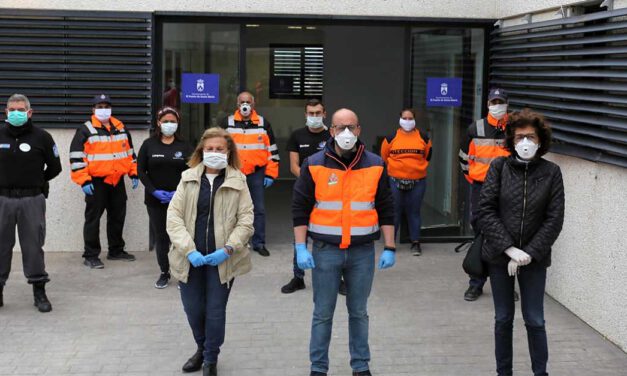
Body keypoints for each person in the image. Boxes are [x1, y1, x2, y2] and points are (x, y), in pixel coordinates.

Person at [293, 108, 396, 376]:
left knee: (359, 313)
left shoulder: (375, 164)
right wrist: (300, 247)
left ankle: (361, 367)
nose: (346, 133)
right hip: (326, 252)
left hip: (362, 252)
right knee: (323, 313)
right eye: (340, 128)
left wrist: (390, 246)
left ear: (359, 130)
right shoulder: (314, 163)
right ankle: (318, 368)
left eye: (351, 127)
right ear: (332, 131)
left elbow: (386, 207)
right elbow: (299, 208)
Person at [478, 109, 564, 376]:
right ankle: (504, 372)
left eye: (530, 137)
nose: (525, 142)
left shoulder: (552, 172)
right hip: (500, 256)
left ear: (540, 140)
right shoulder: (499, 168)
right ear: (511, 141)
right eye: (519, 137)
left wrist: (529, 252)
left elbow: (555, 218)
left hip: (534, 259)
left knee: (535, 320)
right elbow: (486, 210)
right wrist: (509, 249)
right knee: (503, 319)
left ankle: (541, 373)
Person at [167, 127, 254, 376]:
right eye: (210, 149)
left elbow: (246, 220)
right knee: (193, 309)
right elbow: (173, 218)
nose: (214, 153)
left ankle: (210, 358)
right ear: (201, 151)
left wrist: (228, 248)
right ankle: (201, 347)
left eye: (219, 149)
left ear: (228, 152)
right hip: (190, 259)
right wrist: (188, 249)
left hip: (222, 260)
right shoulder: (188, 178)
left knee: (215, 311)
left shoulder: (239, 181)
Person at [0, 94, 62, 312]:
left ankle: (39, 292)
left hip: (32, 200)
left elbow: (55, 167)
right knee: (1, 246)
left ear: (29, 112)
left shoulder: (42, 137)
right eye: (12, 109)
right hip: (2, 200)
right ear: (6, 112)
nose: (16, 113)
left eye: (21, 109)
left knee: (33, 246)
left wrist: (38, 181)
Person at [69, 94, 139, 269]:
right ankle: (91, 255)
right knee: (93, 219)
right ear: (93, 109)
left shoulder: (120, 127)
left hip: (117, 181)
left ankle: (116, 250)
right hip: (96, 182)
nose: (103, 109)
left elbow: (130, 153)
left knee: (117, 217)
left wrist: (134, 173)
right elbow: (77, 158)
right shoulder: (85, 130)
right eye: (99, 106)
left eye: (106, 105)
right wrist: (84, 181)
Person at [281, 99, 341, 295]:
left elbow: (339, 162)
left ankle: (338, 278)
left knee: (335, 236)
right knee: (300, 235)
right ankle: (298, 277)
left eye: (317, 113)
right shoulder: (297, 135)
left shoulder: (333, 135)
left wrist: (324, 184)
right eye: (310, 113)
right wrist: (311, 182)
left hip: (330, 193)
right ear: (305, 114)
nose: (314, 117)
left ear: (325, 114)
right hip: (305, 193)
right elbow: (293, 166)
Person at [458, 88, 511, 301]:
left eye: (500, 101)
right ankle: (476, 283)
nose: (497, 105)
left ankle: (505, 284)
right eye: (493, 101)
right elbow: (463, 158)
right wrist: (475, 180)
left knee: (507, 234)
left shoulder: (514, 129)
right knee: (480, 233)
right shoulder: (476, 128)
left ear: (507, 103)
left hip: (507, 189)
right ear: (488, 104)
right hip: (480, 188)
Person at [137, 106, 193, 289]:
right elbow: (141, 171)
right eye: (166, 121)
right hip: (155, 200)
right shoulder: (148, 145)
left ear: (178, 124)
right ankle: (164, 272)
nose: (169, 124)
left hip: (180, 199)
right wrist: (153, 191)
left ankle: (181, 273)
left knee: (179, 237)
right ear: (158, 123)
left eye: (173, 121)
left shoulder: (184, 146)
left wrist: (178, 192)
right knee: (161, 238)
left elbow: (192, 172)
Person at [220, 91, 278, 256]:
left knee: (258, 209)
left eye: (248, 102)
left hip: (257, 173)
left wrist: (271, 174)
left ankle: (259, 243)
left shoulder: (263, 123)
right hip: (233, 172)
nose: (245, 105)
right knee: (231, 208)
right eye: (242, 102)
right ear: (237, 105)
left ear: (253, 105)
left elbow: (272, 152)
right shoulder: (227, 123)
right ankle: (232, 243)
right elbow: (218, 147)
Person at [380, 108, 432, 256]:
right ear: (400, 119)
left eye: (410, 118)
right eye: (405, 118)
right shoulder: (391, 138)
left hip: (418, 181)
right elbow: (384, 157)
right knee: (394, 212)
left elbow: (428, 156)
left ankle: (415, 243)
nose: (407, 121)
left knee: (414, 212)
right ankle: (391, 244)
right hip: (395, 180)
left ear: (414, 120)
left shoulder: (423, 137)